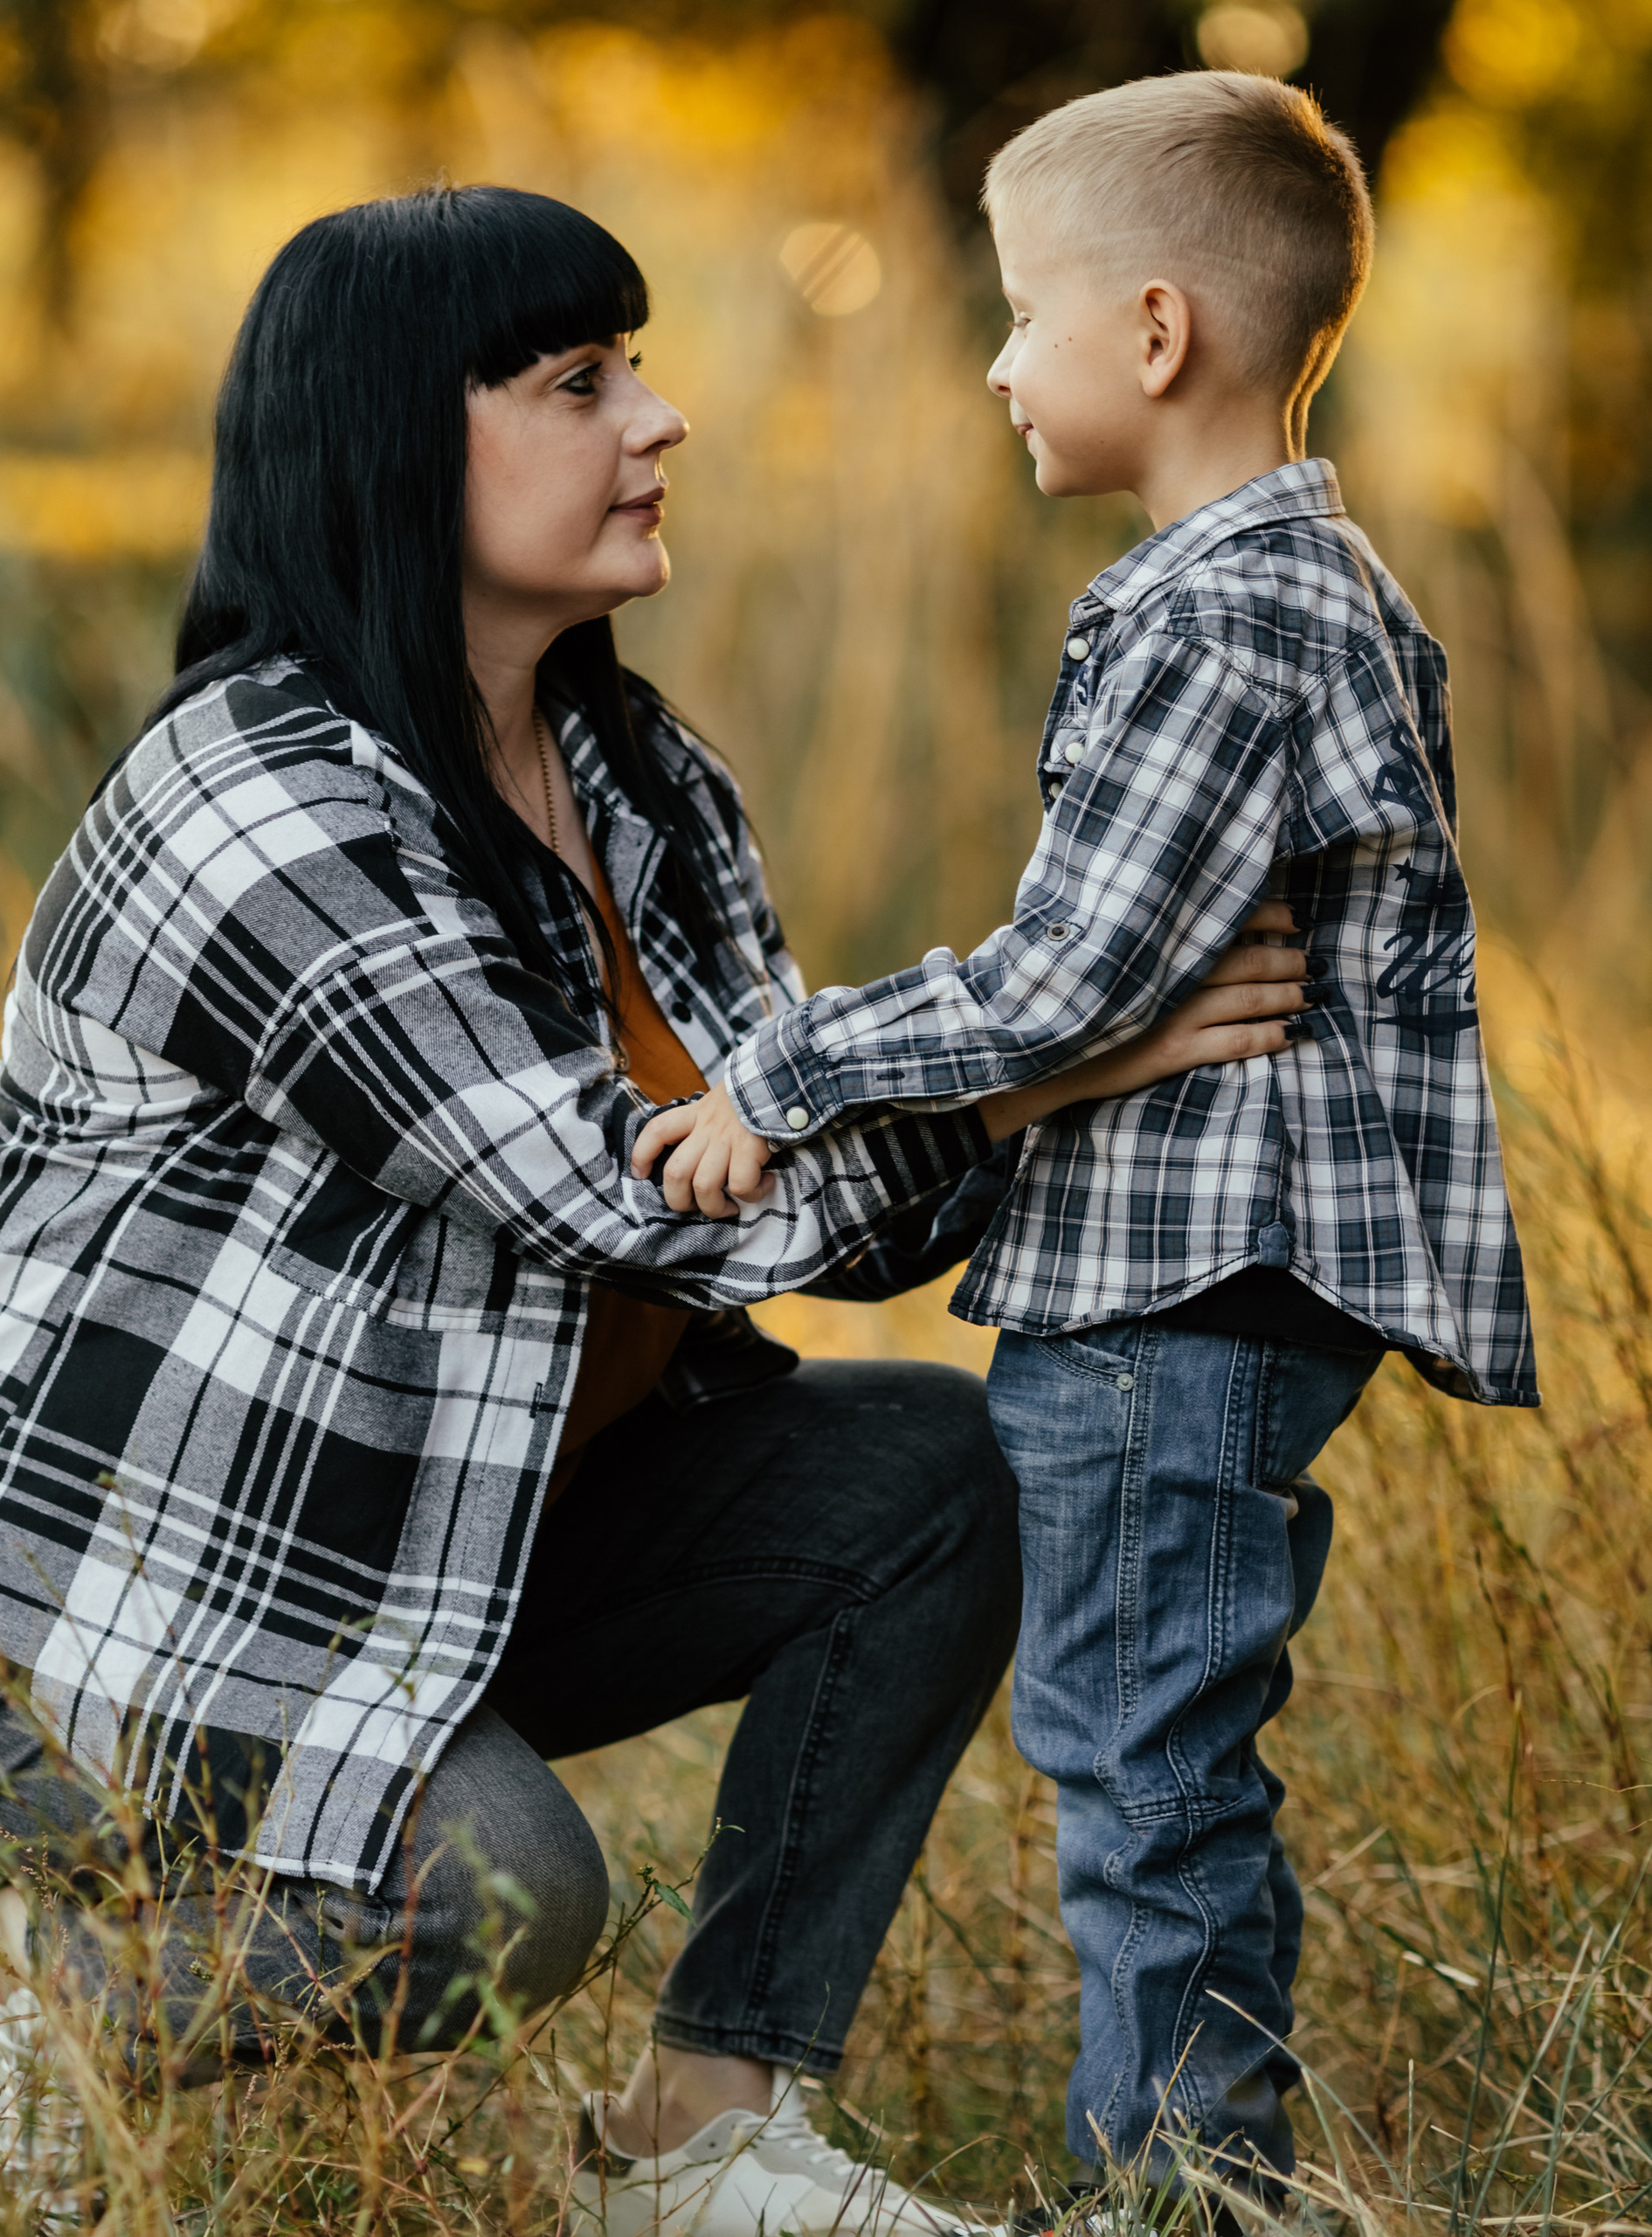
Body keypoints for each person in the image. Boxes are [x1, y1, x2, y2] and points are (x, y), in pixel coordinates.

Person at [0, 184, 1310, 2227]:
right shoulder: (254, 800)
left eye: (635, 371)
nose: (655, 421)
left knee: (940, 1470)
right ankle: (23, 1989)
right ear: (402, 437)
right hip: (72, 1580)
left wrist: (1048, 1072)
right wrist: (1047, 1048)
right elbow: (608, 1188)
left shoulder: (636, 779)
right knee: (492, 1891)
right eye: (578, 383)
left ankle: (700, 2131)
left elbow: (813, 1206)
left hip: (418, 1543)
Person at [635, 73, 1538, 2213]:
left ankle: (1183, 2194)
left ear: (1151, 335)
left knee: (1141, 1771)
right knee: (1145, 1750)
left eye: (1020, 312)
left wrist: (779, 1069)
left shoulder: (1224, 615)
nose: (992, 357)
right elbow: (1105, 989)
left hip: (1174, 1299)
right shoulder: (1277, 589)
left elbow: (1060, 981)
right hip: (1182, 1287)